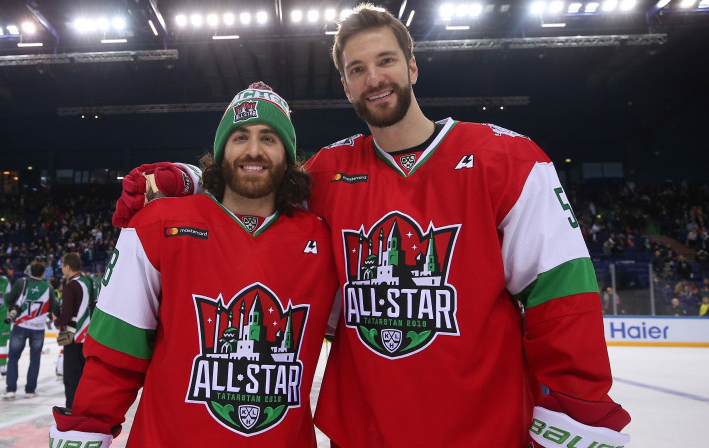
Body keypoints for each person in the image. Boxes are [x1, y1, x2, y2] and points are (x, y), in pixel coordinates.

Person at [111, 5, 632, 446]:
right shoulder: (330, 172)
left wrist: (576, 405)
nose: (374, 78)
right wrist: (180, 181)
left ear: (412, 65)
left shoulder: (505, 159)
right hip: (361, 433)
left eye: (385, 61)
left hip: (483, 430)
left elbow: (561, 293)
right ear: (345, 85)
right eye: (357, 69)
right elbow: (254, 181)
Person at [49, 82, 338, 447]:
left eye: (269, 138)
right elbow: (115, 357)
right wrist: (86, 433)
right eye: (239, 137)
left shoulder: (324, 241)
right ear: (220, 152)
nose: (253, 150)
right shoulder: (159, 226)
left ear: (287, 154)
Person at [2, 261, 53, 399]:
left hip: (20, 325)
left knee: (13, 358)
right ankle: (30, 391)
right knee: (35, 359)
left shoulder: (21, 283)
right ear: (43, 273)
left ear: (30, 271)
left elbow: (7, 299)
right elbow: (54, 307)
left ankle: (11, 389)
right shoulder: (48, 288)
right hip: (38, 328)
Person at [56, 252, 97, 409]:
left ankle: (73, 411)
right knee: (85, 377)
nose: (62, 269)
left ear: (67, 267)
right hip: (89, 335)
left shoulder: (70, 286)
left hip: (73, 337)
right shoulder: (89, 281)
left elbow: (66, 316)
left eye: (62, 266)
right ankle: (87, 407)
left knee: (72, 378)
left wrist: (55, 320)